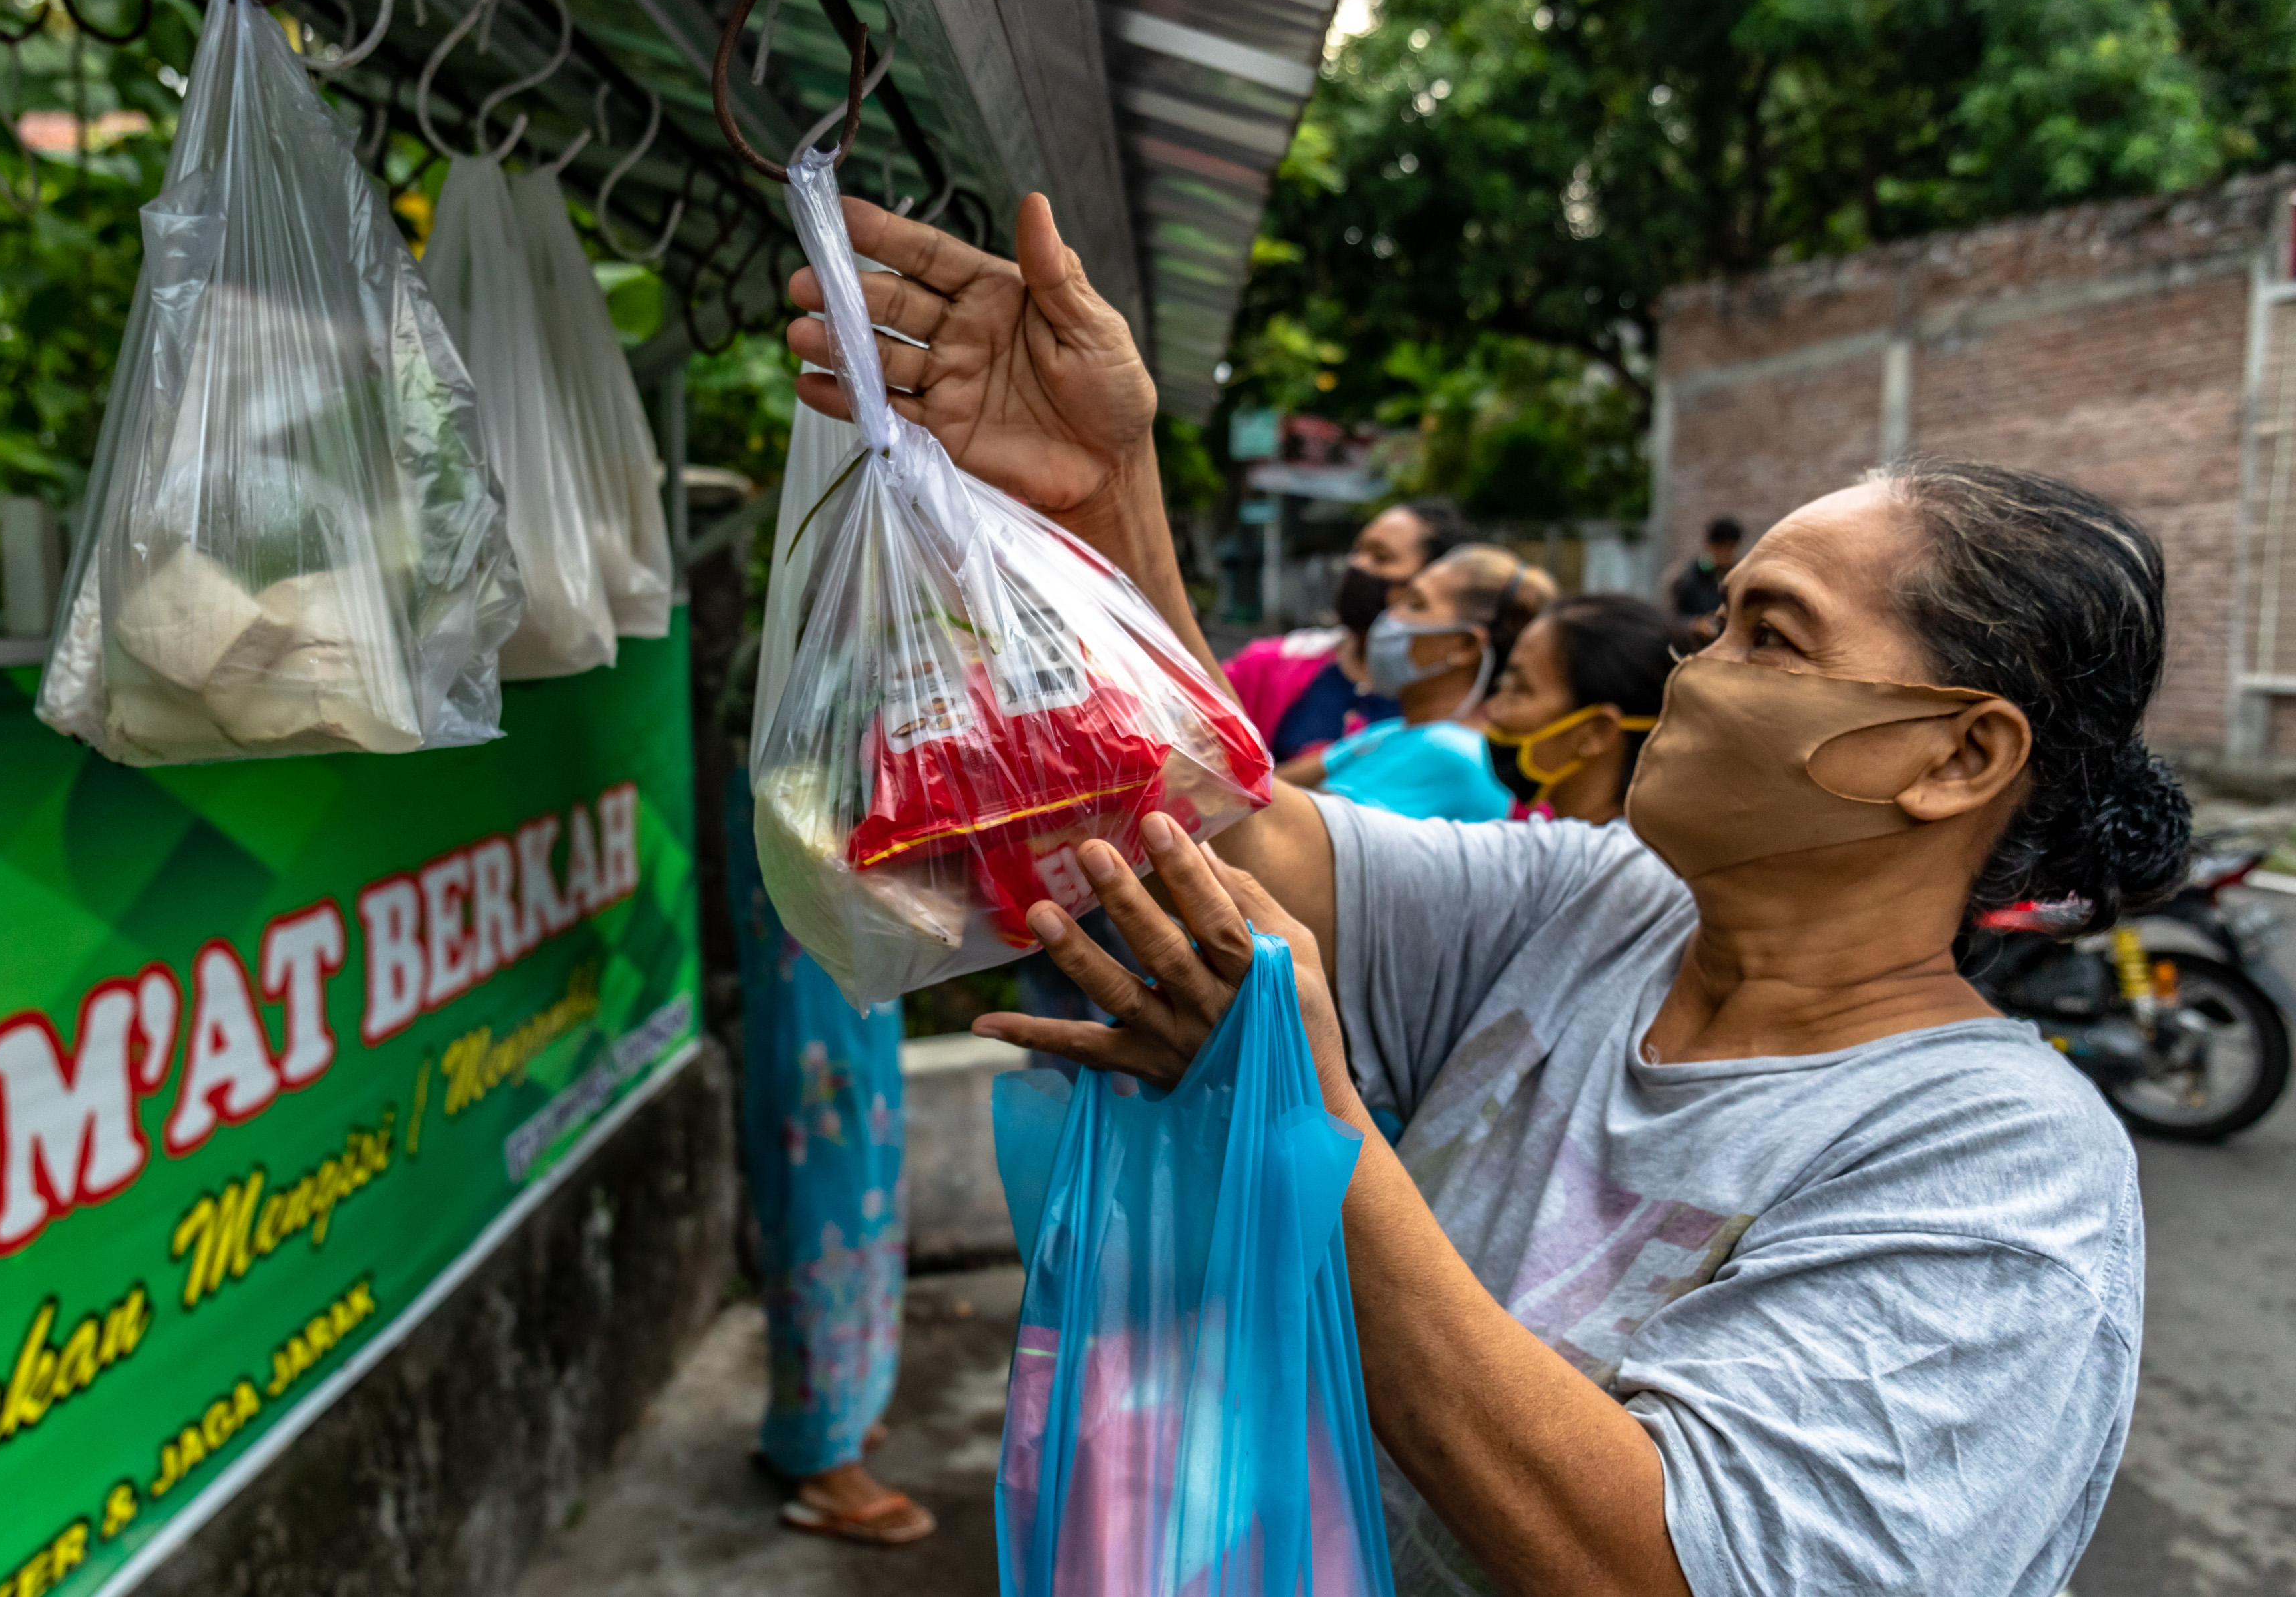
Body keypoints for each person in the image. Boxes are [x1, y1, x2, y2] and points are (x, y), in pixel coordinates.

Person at [783, 190, 2179, 1596]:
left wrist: (1294, 1122)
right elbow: (1234, 830)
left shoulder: (2002, 1170)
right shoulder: (1604, 903)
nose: (1693, 663)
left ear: (1956, 754)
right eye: (1718, 617)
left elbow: (1675, 1574)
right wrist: (1102, 489)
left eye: (1772, 634)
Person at [723, 775, 935, 1547]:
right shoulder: (791, 697)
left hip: (848, 834)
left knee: (864, 1134)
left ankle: (831, 1404)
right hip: (807, 828)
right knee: (826, 1137)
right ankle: (820, 1447)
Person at [1274, 543, 1552, 824]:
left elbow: (1286, 827)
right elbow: (1261, 788)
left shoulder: (1452, 752)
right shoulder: (1393, 733)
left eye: (1416, 604)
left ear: (1465, 646)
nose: (1391, 616)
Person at [1225, 501, 1468, 761]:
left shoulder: (1455, 710)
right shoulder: (1270, 664)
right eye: (1357, 551)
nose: (1358, 565)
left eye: (1381, 558)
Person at [1483, 594, 1677, 824]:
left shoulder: (1615, 856)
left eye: (1519, 690)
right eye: (1503, 685)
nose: (1492, 709)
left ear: (1598, 731)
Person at [1663, 514, 1743, 645]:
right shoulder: (1686, 578)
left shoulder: (1738, 578)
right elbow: (1671, 620)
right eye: (1720, 548)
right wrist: (1693, 625)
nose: (1725, 555)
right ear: (1709, 546)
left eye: (1730, 549)